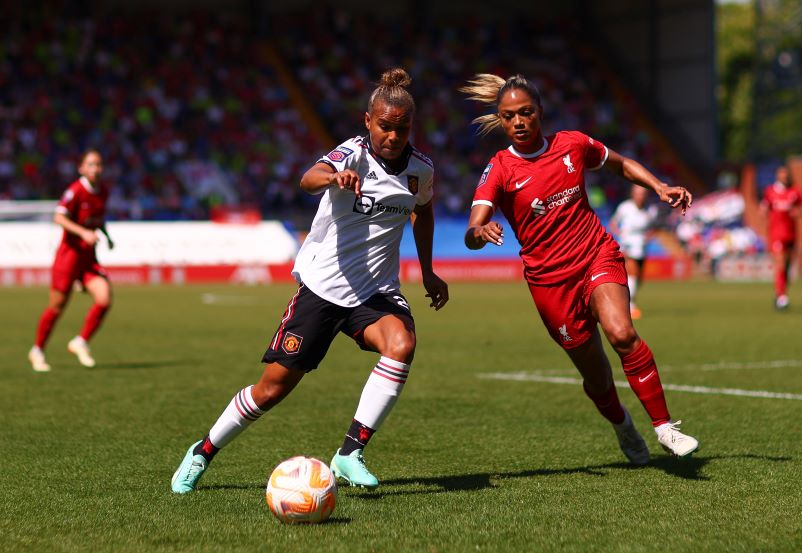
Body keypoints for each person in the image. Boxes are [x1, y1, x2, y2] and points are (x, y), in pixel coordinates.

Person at [171, 68, 449, 493]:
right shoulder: (352, 154)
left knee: (402, 345)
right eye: (385, 126)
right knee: (272, 390)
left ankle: (350, 453)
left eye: (402, 128)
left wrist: (428, 270)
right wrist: (334, 178)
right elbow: (308, 178)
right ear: (368, 122)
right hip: (323, 289)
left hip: (375, 294)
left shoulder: (420, 170)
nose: (393, 136)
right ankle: (202, 452)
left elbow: (423, 210)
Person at [461, 73, 698, 464]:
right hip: (550, 283)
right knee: (597, 377)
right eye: (508, 117)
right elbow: (473, 227)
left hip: (594, 255)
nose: (518, 122)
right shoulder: (500, 168)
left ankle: (665, 428)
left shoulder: (573, 144)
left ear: (540, 112)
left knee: (622, 332)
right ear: (501, 121)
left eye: (525, 113)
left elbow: (620, 164)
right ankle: (623, 424)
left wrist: (658, 186)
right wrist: (479, 231)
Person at [28, 150, 114, 372]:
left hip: (88, 259)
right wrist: (83, 233)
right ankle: (37, 350)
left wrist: (107, 236)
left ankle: (80, 342)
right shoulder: (75, 191)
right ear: (82, 168)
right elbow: (58, 217)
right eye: (91, 164)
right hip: (68, 258)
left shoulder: (103, 191)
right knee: (57, 307)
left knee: (104, 298)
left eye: (99, 164)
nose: (96, 168)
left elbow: (98, 218)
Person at [760, 165, 802, 310]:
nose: (784, 177)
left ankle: (780, 293)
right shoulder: (770, 192)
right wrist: (764, 215)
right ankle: (782, 297)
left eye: (786, 174)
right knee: (780, 263)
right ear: (777, 176)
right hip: (776, 234)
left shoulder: (795, 192)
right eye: (781, 174)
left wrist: (798, 212)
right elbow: (763, 209)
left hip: (791, 234)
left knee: (787, 267)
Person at [610, 185, 658, 320]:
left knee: (638, 279)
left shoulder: (650, 210)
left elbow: (653, 228)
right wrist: (621, 237)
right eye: (638, 193)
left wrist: (648, 237)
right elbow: (614, 223)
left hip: (641, 247)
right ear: (633, 194)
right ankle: (629, 306)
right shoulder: (625, 207)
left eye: (643, 193)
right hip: (627, 246)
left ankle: (625, 302)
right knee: (633, 274)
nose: (640, 196)